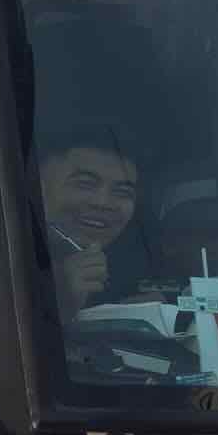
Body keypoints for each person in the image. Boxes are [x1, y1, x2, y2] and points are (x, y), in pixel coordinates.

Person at [37, 127, 141, 322]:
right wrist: (58, 302)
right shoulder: (2, 264)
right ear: (38, 186)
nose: (103, 203)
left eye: (122, 192)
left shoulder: (134, 271)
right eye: (85, 184)